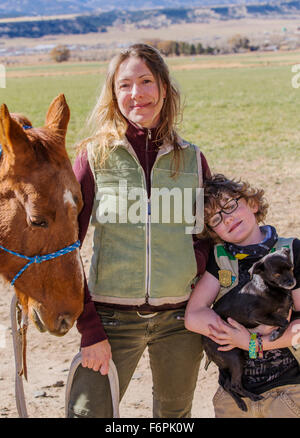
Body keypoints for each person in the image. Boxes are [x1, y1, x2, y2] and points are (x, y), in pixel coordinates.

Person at [67, 43, 211, 418]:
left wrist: (187, 275)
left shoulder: (192, 159)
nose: (137, 94)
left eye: (146, 81)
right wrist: (90, 328)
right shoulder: (93, 158)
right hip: (110, 321)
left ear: (163, 88)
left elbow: (207, 240)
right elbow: (66, 251)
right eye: (125, 85)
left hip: (180, 322)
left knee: (174, 418)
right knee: (86, 415)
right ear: (113, 94)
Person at [185, 173, 300, 418]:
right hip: (235, 399)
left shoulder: (291, 252)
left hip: (289, 392)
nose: (226, 219)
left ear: (252, 203)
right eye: (215, 219)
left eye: (230, 206)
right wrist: (232, 334)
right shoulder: (220, 260)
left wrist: (251, 342)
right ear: (213, 233)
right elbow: (193, 316)